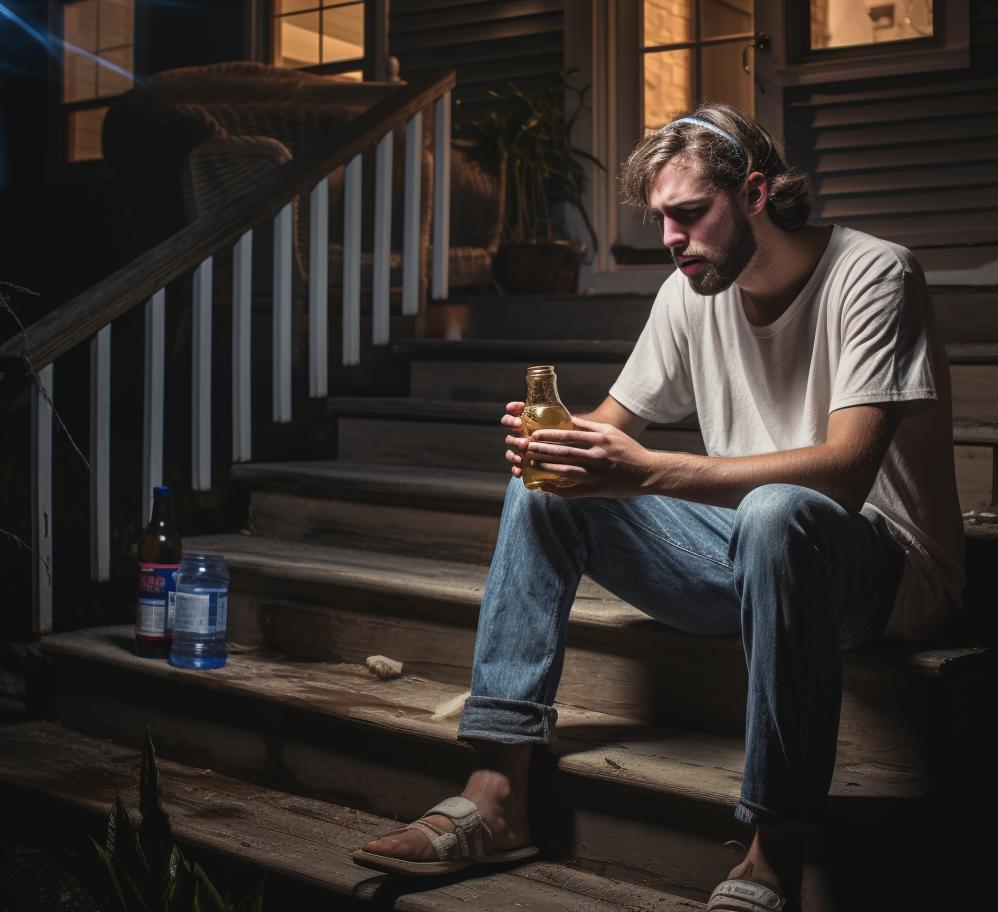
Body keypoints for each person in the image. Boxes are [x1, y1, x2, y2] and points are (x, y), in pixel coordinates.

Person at [352, 105, 965, 911]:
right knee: (549, 492)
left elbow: (846, 474)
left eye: (688, 214)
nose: (671, 239)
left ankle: (774, 851)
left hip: (881, 576)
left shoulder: (873, 272)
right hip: (744, 561)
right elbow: (611, 431)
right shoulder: (691, 293)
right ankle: (498, 790)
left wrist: (647, 472)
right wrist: (558, 447)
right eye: (660, 220)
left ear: (753, 192)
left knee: (778, 513)